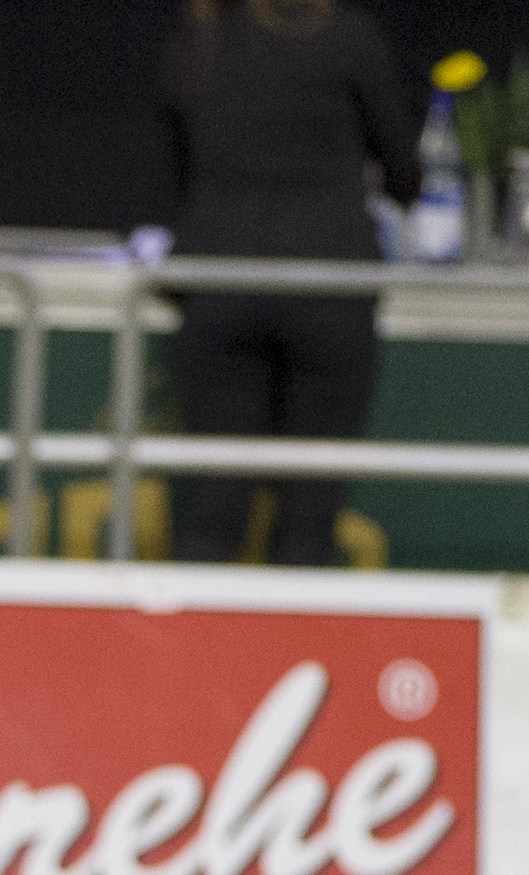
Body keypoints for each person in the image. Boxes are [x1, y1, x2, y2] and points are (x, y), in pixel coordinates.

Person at [157, 0, 413, 570]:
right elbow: (404, 167)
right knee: (309, 522)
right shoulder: (351, 37)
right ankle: (300, 655)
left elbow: (175, 154)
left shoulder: (206, 32)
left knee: (210, 514)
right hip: (328, 287)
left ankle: (196, 655)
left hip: (220, 279)